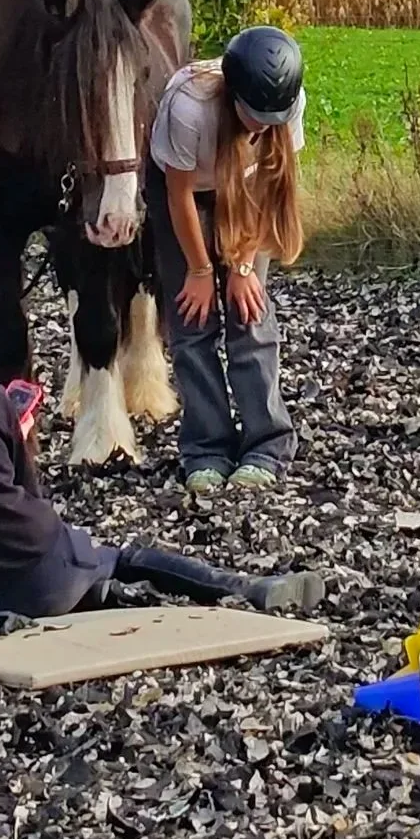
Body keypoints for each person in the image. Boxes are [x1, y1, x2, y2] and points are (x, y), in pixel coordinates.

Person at [0, 251, 323, 637]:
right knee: (121, 556)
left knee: (75, 569)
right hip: (40, 576)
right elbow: (30, 500)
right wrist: (16, 440)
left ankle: (98, 592)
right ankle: (246, 589)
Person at [147, 25, 306, 496]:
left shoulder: (287, 104)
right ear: (233, 93)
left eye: (271, 117)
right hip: (185, 195)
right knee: (191, 320)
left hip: (248, 193)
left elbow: (269, 186)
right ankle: (206, 448)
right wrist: (199, 270)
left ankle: (267, 444)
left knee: (250, 312)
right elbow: (177, 195)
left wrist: (240, 266)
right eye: (254, 114)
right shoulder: (188, 107)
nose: (262, 124)